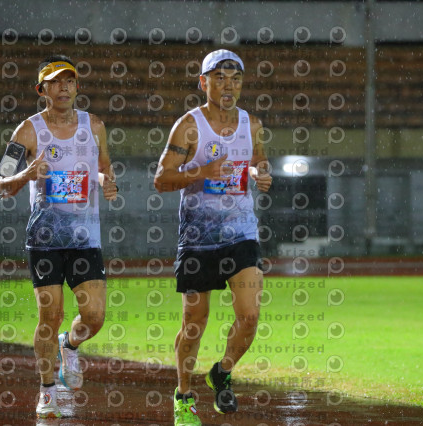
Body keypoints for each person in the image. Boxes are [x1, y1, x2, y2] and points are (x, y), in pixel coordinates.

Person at [154, 49, 273, 426]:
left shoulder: (251, 124)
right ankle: (183, 395)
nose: (228, 86)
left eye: (235, 78)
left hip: (241, 233)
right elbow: (161, 180)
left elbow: (258, 159)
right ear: (203, 83)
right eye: (220, 78)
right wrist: (203, 172)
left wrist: (260, 173)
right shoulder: (189, 126)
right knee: (194, 323)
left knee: (249, 316)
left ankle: (222, 372)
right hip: (197, 238)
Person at [0, 55, 118, 419]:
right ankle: (47, 390)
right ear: (42, 90)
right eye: (55, 82)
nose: (63, 87)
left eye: (69, 81)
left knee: (94, 316)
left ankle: (71, 344)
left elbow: (103, 166)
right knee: (50, 315)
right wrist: (26, 175)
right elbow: (2, 184)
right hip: (45, 239)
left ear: (77, 87)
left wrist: (105, 181)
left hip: (85, 239)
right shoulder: (27, 131)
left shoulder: (94, 126)